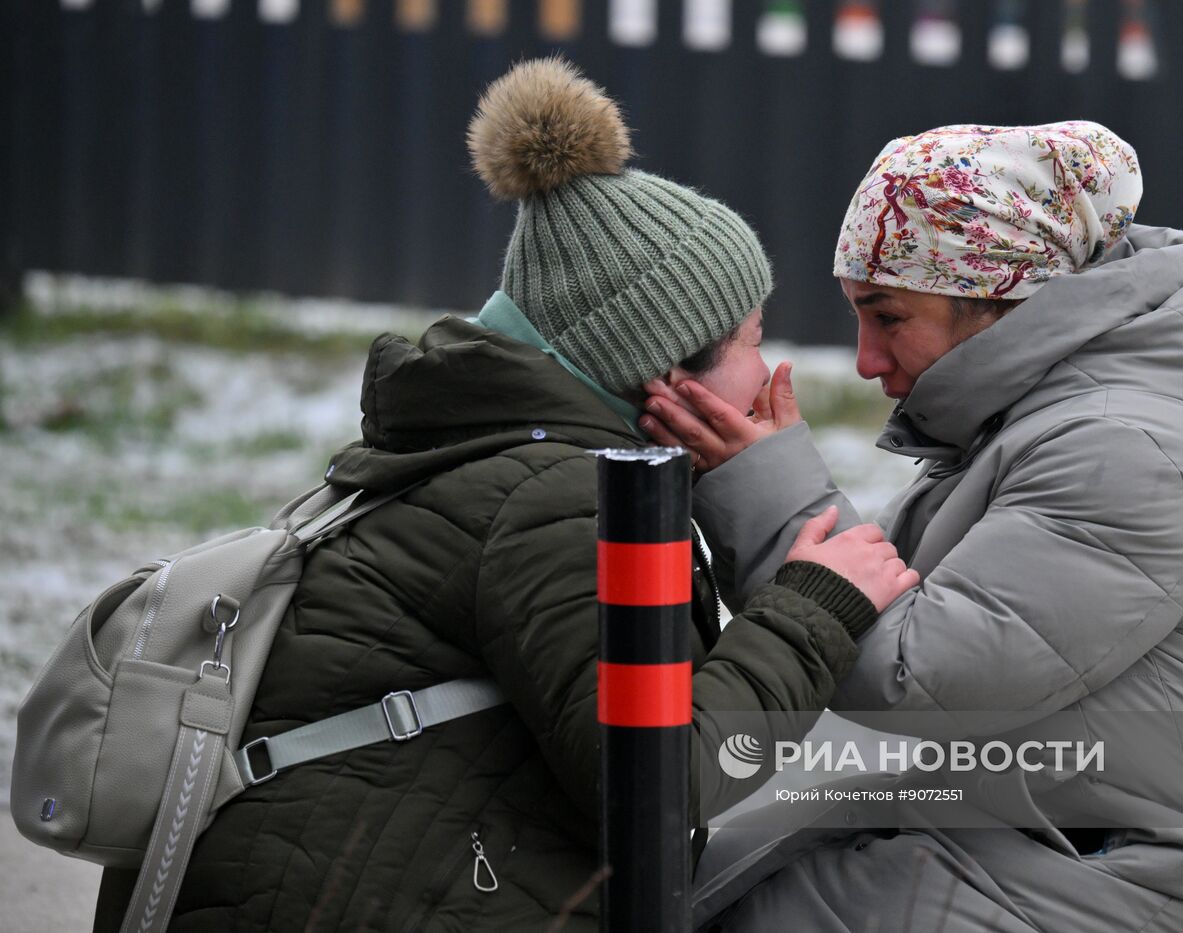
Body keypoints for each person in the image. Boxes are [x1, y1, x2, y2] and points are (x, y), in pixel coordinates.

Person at [88, 59, 919, 933]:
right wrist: (811, 609)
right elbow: (661, 777)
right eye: (753, 336)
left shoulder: (498, 456)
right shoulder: (554, 500)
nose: (768, 369)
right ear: (667, 372)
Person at [642, 121, 1183, 931]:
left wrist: (762, 486)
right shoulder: (1043, 424)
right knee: (730, 877)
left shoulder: (1129, 450)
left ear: (997, 300)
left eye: (887, 316)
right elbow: (893, 610)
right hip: (1089, 845)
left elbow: (919, 679)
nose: (867, 359)